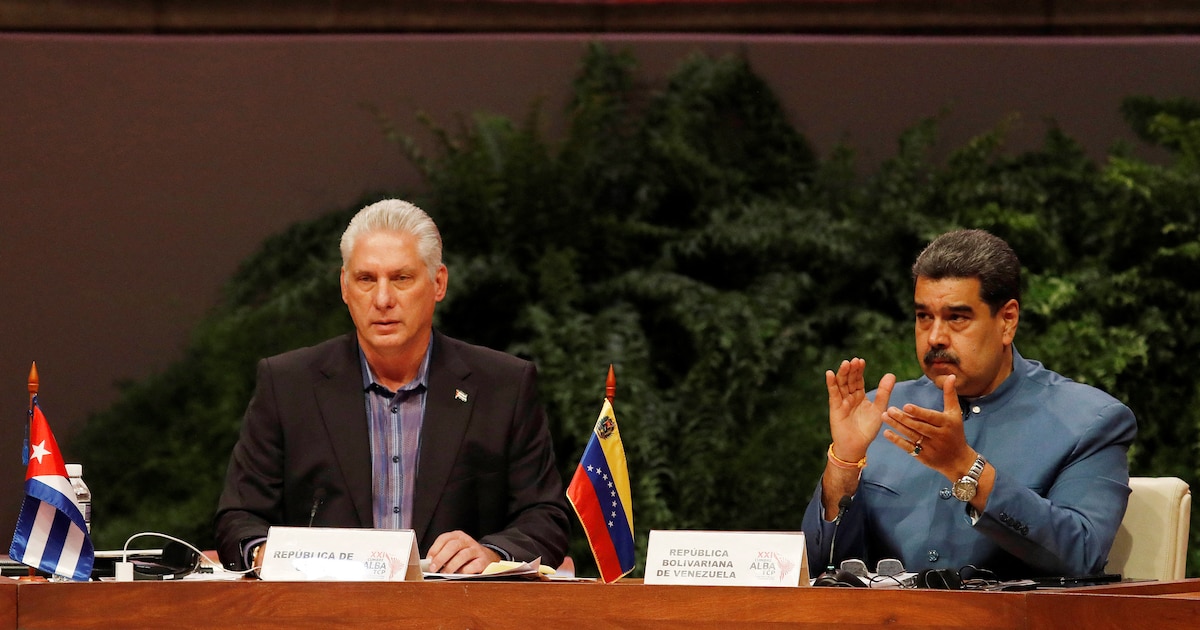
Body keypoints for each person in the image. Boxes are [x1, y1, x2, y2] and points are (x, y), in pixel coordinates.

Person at [215, 198, 570, 574]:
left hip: (457, 605)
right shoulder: (288, 385)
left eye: (401, 278)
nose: (383, 300)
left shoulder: (503, 386)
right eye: (366, 280)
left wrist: (492, 554)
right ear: (345, 287)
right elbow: (238, 518)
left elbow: (545, 516)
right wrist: (265, 554)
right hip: (324, 604)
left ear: (438, 283)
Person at [801, 229, 1137, 580]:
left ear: (1007, 320)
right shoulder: (882, 411)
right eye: (924, 316)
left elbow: (1082, 555)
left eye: (957, 317)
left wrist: (965, 467)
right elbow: (817, 567)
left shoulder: (1088, 421)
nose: (935, 337)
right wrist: (844, 464)